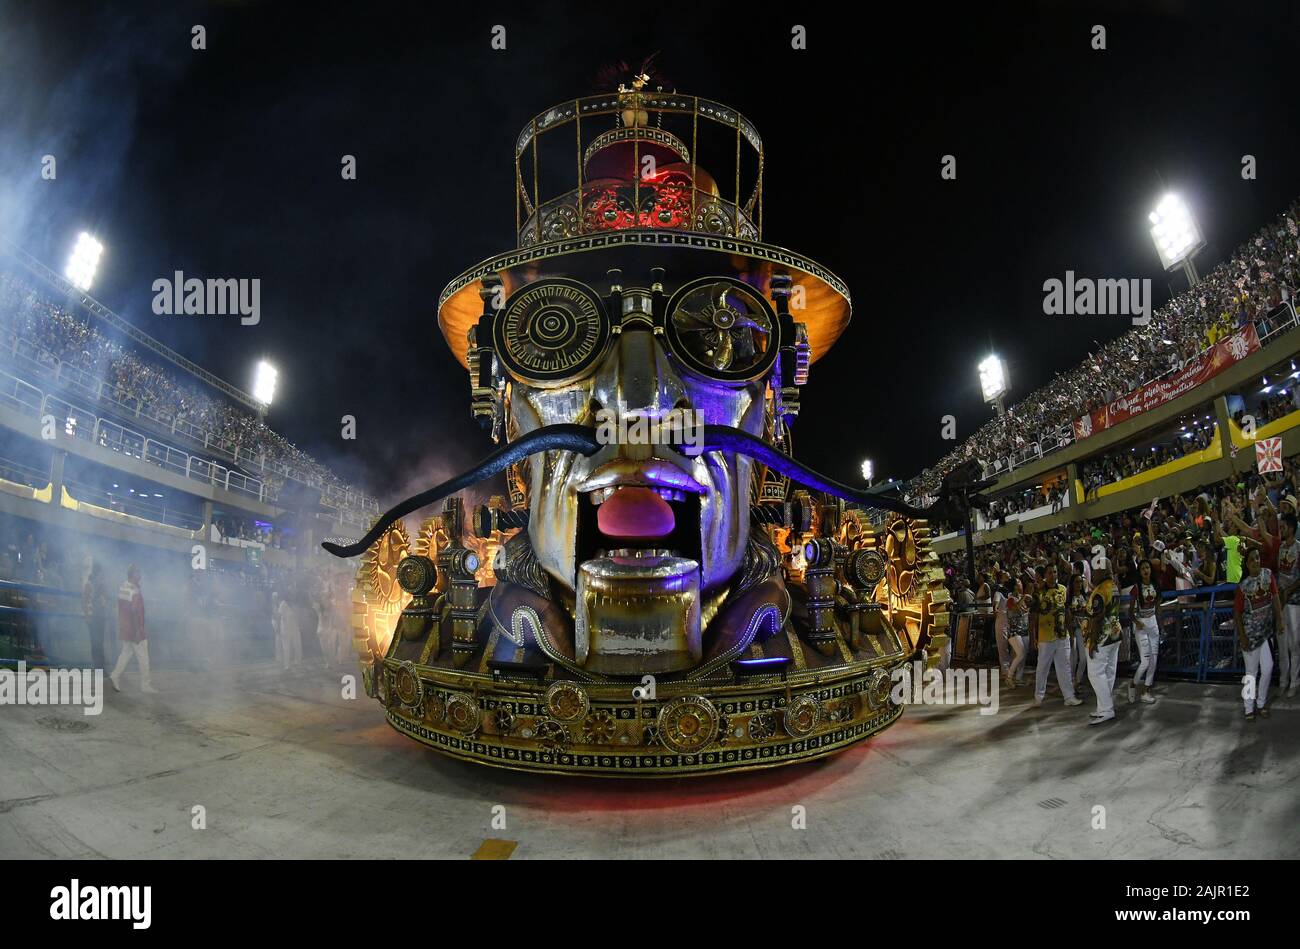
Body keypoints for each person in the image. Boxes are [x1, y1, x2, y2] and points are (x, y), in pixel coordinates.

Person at [1234, 547, 1281, 721]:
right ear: (1247, 564)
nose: (1256, 561)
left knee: (1268, 669)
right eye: (1252, 559)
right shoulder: (1243, 586)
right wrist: (1243, 636)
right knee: (1251, 672)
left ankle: (1261, 703)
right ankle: (1248, 707)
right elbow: (1237, 613)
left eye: (1258, 558)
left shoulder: (1268, 575)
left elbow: (1275, 597)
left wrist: (1280, 620)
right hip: (1250, 634)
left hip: (1265, 633)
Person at [1029, 563, 1082, 708]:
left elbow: (1066, 612)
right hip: (1045, 637)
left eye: (1055, 572)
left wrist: (1070, 632)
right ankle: (1038, 697)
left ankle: (1069, 697)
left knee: (1064, 667)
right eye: (1050, 572)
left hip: (1062, 635)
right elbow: (1033, 616)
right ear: (1045, 575)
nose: (1053, 575)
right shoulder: (1038, 592)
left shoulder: (1063, 589)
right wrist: (1033, 636)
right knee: (1042, 668)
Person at [1084, 563, 1124, 725]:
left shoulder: (1101, 591)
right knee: (1108, 672)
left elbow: (1097, 618)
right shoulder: (1113, 586)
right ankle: (1103, 707)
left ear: (1103, 571)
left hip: (1102, 637)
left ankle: (1107, 709)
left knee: (1095, 673)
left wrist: (1092, 641)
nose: (1092, 574)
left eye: (1095, 570)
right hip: (1115, 634)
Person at [109, 564, 156, 693]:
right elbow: (135, 611)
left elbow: (123, 609)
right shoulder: (133, 589)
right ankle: (145, 685)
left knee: (126, 653)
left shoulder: (123, 587)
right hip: (135, 629)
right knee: (143, 657)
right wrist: (138, 630)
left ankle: (115, 675)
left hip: (125, 628)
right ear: (133, 575)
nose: (140, 575)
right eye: (138, 573)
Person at [1127, 559, 1161, 705]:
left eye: (1147, 567)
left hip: (1153, 623)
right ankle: (1133, 685)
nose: (1146, 570)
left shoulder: (1155, 585)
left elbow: (1158, 602)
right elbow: (1130, 611)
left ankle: (1146, 691)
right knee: (1145, 661)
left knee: (1154, 660)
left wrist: (1157, 620)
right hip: (1141, 625)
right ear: (1139, 572)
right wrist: (1137, 622)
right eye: (1143, 569)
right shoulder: (1136, 588)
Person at [1276, 512, 1300, 699]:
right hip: (1281, 602)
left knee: (1294, 644)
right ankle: (1283, 681)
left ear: (1291, 528)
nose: (1280, 529)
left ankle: (1294, 682)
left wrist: (1289, 590)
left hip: (1295, 602)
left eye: (1283, 527)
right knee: (1282, 644)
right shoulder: (1282, 548)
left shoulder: (1298, 549)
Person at [81, 560, 109, 669]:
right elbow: (84, 601)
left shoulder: (101, 584)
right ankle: (98, 667)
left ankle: (101, 666)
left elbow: (105, 599)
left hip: (100, 617)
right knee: (95, 642)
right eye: (101, 572)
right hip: (93, 618)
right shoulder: (89, 585)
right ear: (98, 572)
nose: (103, 574)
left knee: (100, 642)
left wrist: (104, 594)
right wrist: (87, 616)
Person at [1066, 572, 1090, 692]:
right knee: (1073, 658)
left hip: (1083, 630)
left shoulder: (1085, 597)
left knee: (1084, 658)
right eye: (1076, 582)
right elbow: (1067, 617)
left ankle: (1078, 680)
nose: (1079, 584)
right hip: (1072, 630)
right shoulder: (1068, 598)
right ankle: (1071, 682)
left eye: (1080, 582)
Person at [1005, 578, 1028, 689]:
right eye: (1019, 582)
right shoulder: (1010, 599)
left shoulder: (1019, 598)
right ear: (1014, 586)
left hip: (1023, 630)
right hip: (1013, 632)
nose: (1021, 583)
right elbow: (1015, 608)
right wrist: (1024, 597)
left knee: (1021, 655)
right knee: (1020, 654)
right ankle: (1009, 678)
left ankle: (1017, 678)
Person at [277, 590, 302, 669]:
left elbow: (298, 617)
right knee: (286, 647)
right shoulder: (283, 604)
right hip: (285, 629)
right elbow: (279, 617)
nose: (291, 596)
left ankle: (298, 662)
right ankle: (287, 665)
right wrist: (278, 628)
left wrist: (299, 625)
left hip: (295, 628)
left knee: (297, 645)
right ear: (287, 596)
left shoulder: (295, 604)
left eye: (292, 594)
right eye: (290, 594)